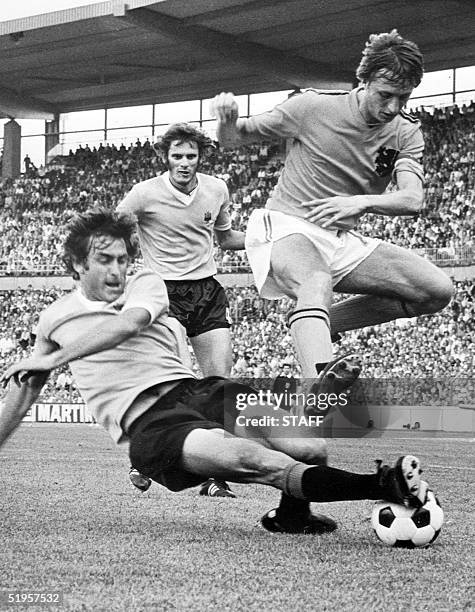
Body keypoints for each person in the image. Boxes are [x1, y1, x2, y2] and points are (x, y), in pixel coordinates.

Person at [0, 209, 429, 534]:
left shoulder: (144, 283)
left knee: (310, 448)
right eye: (103, 260)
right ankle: (384, 483)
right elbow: (21, 394)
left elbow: (128, 323)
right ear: (77, 264)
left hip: (202, 391)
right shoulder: (54, 320)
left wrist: (53, 358)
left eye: (121, 259)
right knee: (254, 460)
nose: (116, 269)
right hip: (150, 423)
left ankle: (292, 517)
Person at [211, 30, 454, 399]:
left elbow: (411, 199)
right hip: (287, 227)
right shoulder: (312, 107)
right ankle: (318, 388)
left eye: (402, 98)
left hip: (341, 236)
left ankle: (323, 326)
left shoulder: (406, 132)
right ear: (364, 80)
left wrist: (359, 203)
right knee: (316, 281)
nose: (391, 107)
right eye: (384, 95)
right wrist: (227, 121)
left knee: (437, 291)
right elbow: (233, 138)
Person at [118, 123, 246, 497]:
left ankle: (214, 473)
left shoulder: (216, 189)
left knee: (219, 384)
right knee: (178, 383)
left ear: (200, 158)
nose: (185, 162)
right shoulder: (144, 194)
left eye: (191, 156)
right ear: (166, 158)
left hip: (207, 290)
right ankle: (144, 458)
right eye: (177, 155)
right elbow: (113, 229)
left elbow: (226, 239)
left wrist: (266, 238)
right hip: (164, 292)